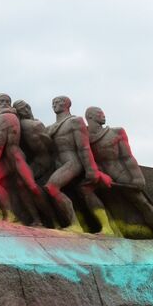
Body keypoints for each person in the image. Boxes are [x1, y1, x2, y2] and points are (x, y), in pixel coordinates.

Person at [0, 93, 51, 226]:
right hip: (5, 161)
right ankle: (10, 214)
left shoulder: (8, 116)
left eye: (7, 101)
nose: (4, 103)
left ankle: (51, 219)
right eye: (1, 101)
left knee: (31, 186)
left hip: (16, 157)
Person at [86, 106, 153, 236]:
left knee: (141, 203)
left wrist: (138, 177)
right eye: (100, 114)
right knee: (109, 203)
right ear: (90, 117)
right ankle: (113, 230)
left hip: (121, 174)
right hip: (102, 177)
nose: (103, 116)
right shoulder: (84, 137)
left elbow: (127, 157)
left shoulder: (116, 132)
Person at [45, 96, 114, 234]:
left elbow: (84, 147)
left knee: (51, 187)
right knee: (81, 194)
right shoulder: (50, 128)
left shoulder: (75, 121)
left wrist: (91, 169)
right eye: (53, 103)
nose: (54, 105)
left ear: (67, 104)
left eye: (58, 102)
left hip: (73, 163)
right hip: (59, 164)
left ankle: (76, 225)